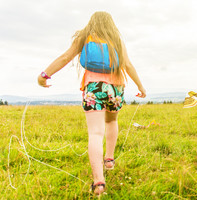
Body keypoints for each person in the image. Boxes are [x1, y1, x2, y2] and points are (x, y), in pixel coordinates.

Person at [37, 11, 146, 195]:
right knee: (111, 121)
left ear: (92, 22)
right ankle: (109, 160)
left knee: (95, 133)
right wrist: (141, 87)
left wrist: (44, 75)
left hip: (94, 87)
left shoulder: (84, 36)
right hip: (116, 88)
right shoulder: (116, 39)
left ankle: (99, 183)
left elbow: (65, 58)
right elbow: (127, 64)